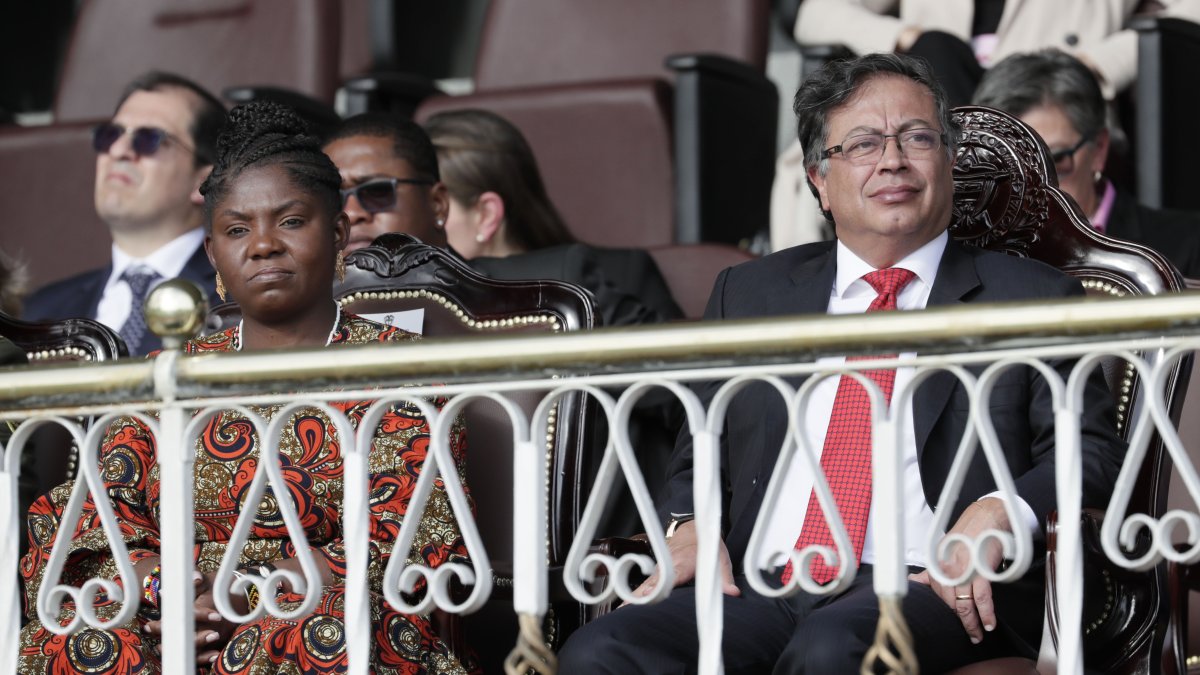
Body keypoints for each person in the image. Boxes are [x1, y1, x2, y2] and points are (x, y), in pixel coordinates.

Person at [558, 53, 1126, 672]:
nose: (892, 160)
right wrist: (690, 525)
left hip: (927, 582)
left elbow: (1091, 451)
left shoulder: (1031, 297)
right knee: (602, 649)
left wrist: (1000, 511)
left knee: (833, 649)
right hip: (761, 583)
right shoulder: (750, 295)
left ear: (950, 159)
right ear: (818, 180)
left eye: (915, 137)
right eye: (862, 144)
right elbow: (701, 442)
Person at [17, 102, 475, 674]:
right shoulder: (168, 377)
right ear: (212, 253)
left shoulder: (403, 374)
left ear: (336, 233)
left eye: (289, 221)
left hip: (323, 618)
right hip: (170, 612)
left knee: (309, 628)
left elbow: (409, 542)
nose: (262, 245)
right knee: (79, 638)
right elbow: (90, 524)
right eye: (237, 229)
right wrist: (166, 588)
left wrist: (252, 596)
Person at [22, 71, 225, 355]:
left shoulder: (239, 303)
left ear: (203, 181)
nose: (118, 150)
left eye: (149, 138)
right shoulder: (38, 311)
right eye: (110, 135)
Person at [422, 108, 683, 328]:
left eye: (437, 208)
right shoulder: (411, 300)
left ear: (486, 215)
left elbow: (685, 378)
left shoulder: (622, 274)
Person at [973, 48, 1200, 278]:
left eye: (1056, 160)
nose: (1031, 188)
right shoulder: (968, 257)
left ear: (1099, 150)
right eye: (1011, 167)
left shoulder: (1186, 246)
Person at [323, 112, 450, 252]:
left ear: (438, 204)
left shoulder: (477, 274)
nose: (351, 214)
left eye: (376, 192)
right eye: (333, 200)